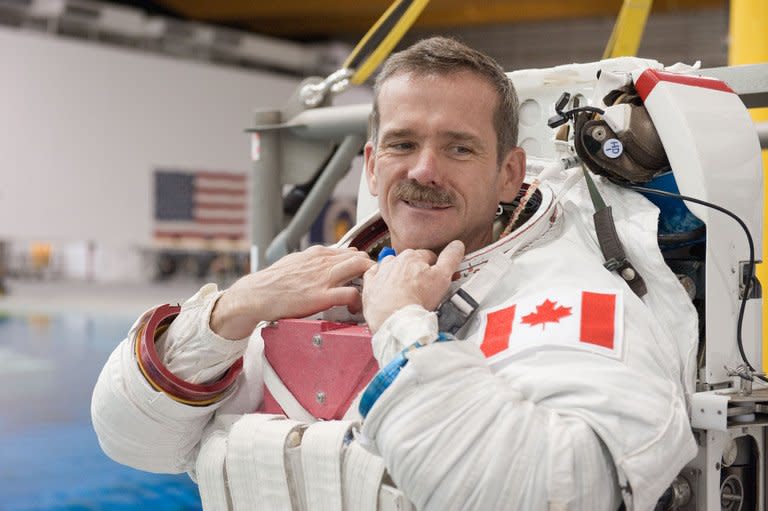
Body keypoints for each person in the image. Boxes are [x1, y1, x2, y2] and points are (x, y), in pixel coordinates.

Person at [92, 37, 698, 510]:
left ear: (509, 173)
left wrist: (406, 328)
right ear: (373, 164)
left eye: (459, 148)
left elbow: (549, 494)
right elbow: (131, 441)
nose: (425, 170)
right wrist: (230, 312)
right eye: (403, 144)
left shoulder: (575, 302)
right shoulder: (305, 287)